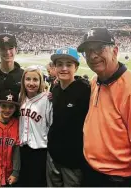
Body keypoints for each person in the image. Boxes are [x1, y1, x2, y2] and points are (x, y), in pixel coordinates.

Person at [77, 27, 131, 187]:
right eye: (87, 51)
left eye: (99, 48)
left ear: (115, 50)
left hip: (116, 180)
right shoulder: (96, 81)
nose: (93, 55)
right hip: (91, 173)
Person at [47, 47, 91, 187]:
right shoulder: (55, 89)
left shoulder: (85, 90)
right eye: (60, 64)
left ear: (76, 68)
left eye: (69, 64)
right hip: (54, 156)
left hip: (73, 161)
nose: (64, 68)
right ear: (54, 67)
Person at [18, 67, 53, 187]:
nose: (31, 83)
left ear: (41, 82)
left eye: (35, 79)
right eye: (28, 79)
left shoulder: (47, 99)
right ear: (23, 81)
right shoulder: (20, 97)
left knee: (37, 183)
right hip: (22, 149)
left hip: (40, 150)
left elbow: (51, 125)